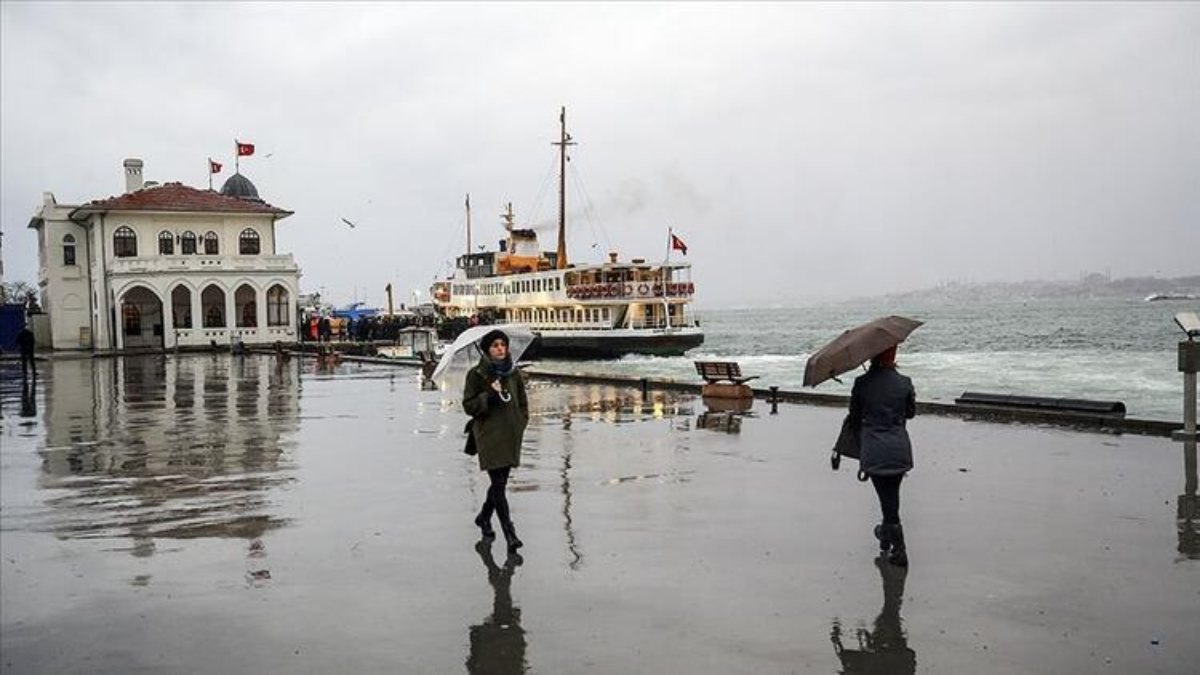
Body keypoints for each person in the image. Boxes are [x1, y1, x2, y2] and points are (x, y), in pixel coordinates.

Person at [848, 345, 916, 567]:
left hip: (875, 449)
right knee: (891, 495)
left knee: (887, 499)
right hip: (899, 448)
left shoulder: (861, 384)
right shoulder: (905, 382)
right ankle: (886, 537)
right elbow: (910, 413)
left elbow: (855, 417)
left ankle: (899, 547)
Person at [463, 329, 529, 553]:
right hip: (489, 436)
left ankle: (483, 517)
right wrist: (489, 395)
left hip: (510, 434)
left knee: (499, 483)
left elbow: (522, 403)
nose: (500, 349)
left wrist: (520, 424)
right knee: (499, 486)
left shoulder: (513, 373)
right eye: (495, 345)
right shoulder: (476, 375)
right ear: (487, 350)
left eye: (503, 344)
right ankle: (510, 534)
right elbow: (468, 406)